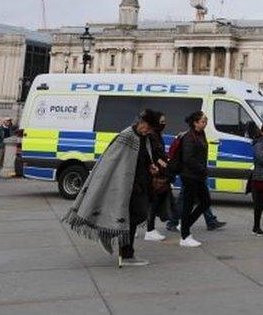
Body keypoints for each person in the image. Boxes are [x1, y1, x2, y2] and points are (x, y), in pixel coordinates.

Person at [63, 109, 164, 267]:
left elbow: (143, 156)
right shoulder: (126, 136)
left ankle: (109, 235)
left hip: (139, 182)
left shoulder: (145, 138)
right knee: (128, 217)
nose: (148, 131)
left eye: (151, 129)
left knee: (140, 214)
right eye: (148, 127)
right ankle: (126, 253)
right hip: (122, 183)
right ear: (142, 123)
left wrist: (151, 166)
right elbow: (111, 160)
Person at [177, 111, 211, 247]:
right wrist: (203, 169)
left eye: (205, 121)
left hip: (198, 175)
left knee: (206, 202)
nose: (205, 124)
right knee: (188, 204)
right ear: (195, 123)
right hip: (189, 175)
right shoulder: (189, 137)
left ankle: (185, 225)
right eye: (203, 121)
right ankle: (185, 236)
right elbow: (188, 158)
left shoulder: (200, 134)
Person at [143, 114, 171, 242]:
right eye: (161, 121)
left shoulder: (157, 135)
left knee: (156, 200)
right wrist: (161, 164)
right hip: (154, 173)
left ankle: (150, 227)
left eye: (165, 121)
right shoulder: (152, 135)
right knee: (153, 201)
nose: (164, 124)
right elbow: (154, 154)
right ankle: (149, 229)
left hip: (158, 172)